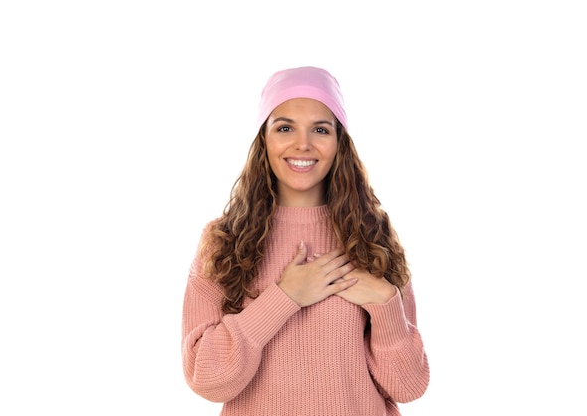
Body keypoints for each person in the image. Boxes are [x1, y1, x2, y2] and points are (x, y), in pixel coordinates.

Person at [181, 66, 430, 415]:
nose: (303, 144)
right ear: (263, 139)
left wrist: (384, 302)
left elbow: (407, 387)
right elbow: (206, 378)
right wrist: (285, 297)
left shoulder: (372, 238)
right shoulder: (223, 242)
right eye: (284, 127)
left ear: (338, 142)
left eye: (320, 129)